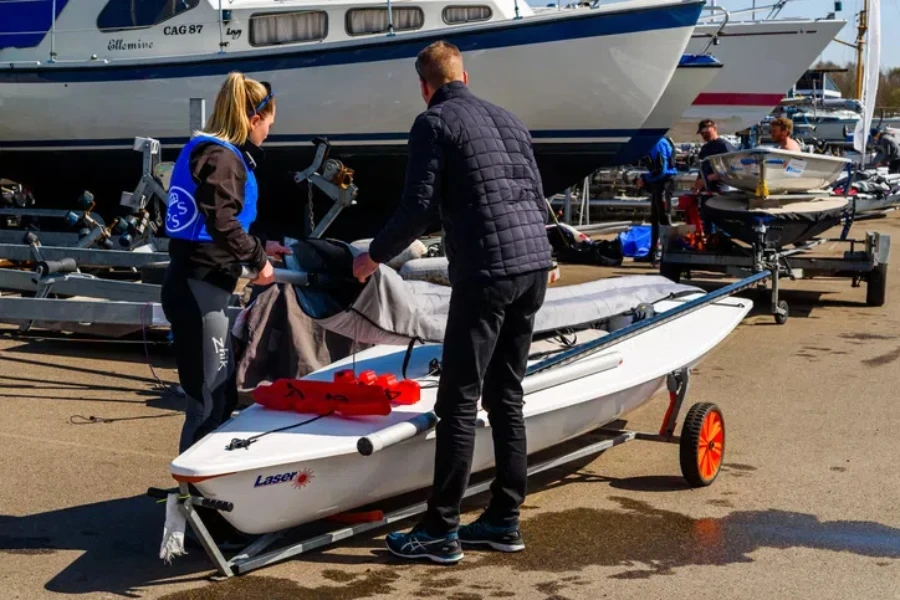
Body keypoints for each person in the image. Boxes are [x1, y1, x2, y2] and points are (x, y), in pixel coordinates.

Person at [352, 41, 554, 564]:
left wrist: (372, 257)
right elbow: (534, 193)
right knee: (506, 395)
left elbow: (418, 207)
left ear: (425, 86)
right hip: (533, 267)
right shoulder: (509, 119)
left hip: (488, 273)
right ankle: (504, 520)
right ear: (465, 73)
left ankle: (441, 530)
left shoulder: (433, 122)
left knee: (458, 401)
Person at [161, 72, 291, 455]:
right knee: (209, 400)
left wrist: (261, 245)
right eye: (268, 125)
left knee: (222, 395)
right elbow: (221, 220)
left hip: (198, 284)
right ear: (253, 120)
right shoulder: (223, 157)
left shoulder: (208, 150)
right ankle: (192, 498)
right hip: (199, 289)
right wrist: (258, 260)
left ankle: (201, 492)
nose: (268, 133)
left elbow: (214, 220)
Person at [636, 136, 676, 265]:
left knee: (664, 218)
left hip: (665, 182)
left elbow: (661, 170)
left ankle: (668, 254)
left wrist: (645, 178)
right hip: (658, 183)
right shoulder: (651, 143)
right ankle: (653, 253)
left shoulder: (658, 143)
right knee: (655, 219)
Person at [692, 118, 736, 194]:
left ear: (714, 128)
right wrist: (697, 185)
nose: (704, 135)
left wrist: (706, 179)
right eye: (702, 133)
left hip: (720, 190)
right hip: (705, 190)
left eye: (706, 132)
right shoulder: (704, 148)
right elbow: (702, 169)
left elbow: (730, 171)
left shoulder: (724, 146)